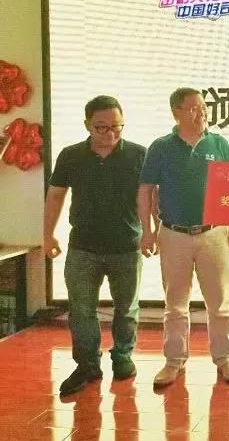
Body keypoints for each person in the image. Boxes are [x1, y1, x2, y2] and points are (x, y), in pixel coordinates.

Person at [137, 87, 229, 387]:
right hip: (173, 234)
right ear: (177, 112)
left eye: (203, 107)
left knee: (219, 302)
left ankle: (225, 357)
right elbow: (145, 190)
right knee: (175, 304)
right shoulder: (161, 147)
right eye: (194, 108)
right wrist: (147, 231)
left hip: (214, 232)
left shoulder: (218, 143)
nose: (202, 113)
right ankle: (174, 361)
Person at [44, 95, 146, 396]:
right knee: (81, 310)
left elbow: (149, 198)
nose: (110, 134)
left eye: (117, 126)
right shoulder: (71, 155)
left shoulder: (138, 154)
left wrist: (152, 233)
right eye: (101, 127)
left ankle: (123, 356)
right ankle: (87, 364)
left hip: (126, 245)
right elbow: (55, 196)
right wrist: (47, 234)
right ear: (87, 125)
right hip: (83, 247)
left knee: (126, 308)